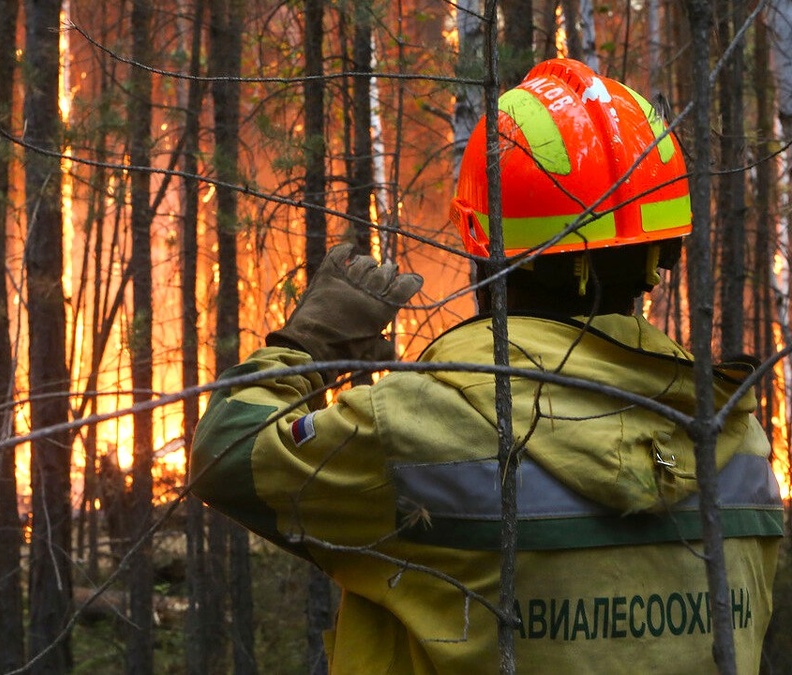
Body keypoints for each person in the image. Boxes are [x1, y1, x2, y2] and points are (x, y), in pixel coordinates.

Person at [189, 58, 784, 674]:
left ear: (484, 250)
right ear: (663, 252)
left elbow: (226, 455)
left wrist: (307, 344)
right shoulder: (739, 440)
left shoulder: (420, 425)